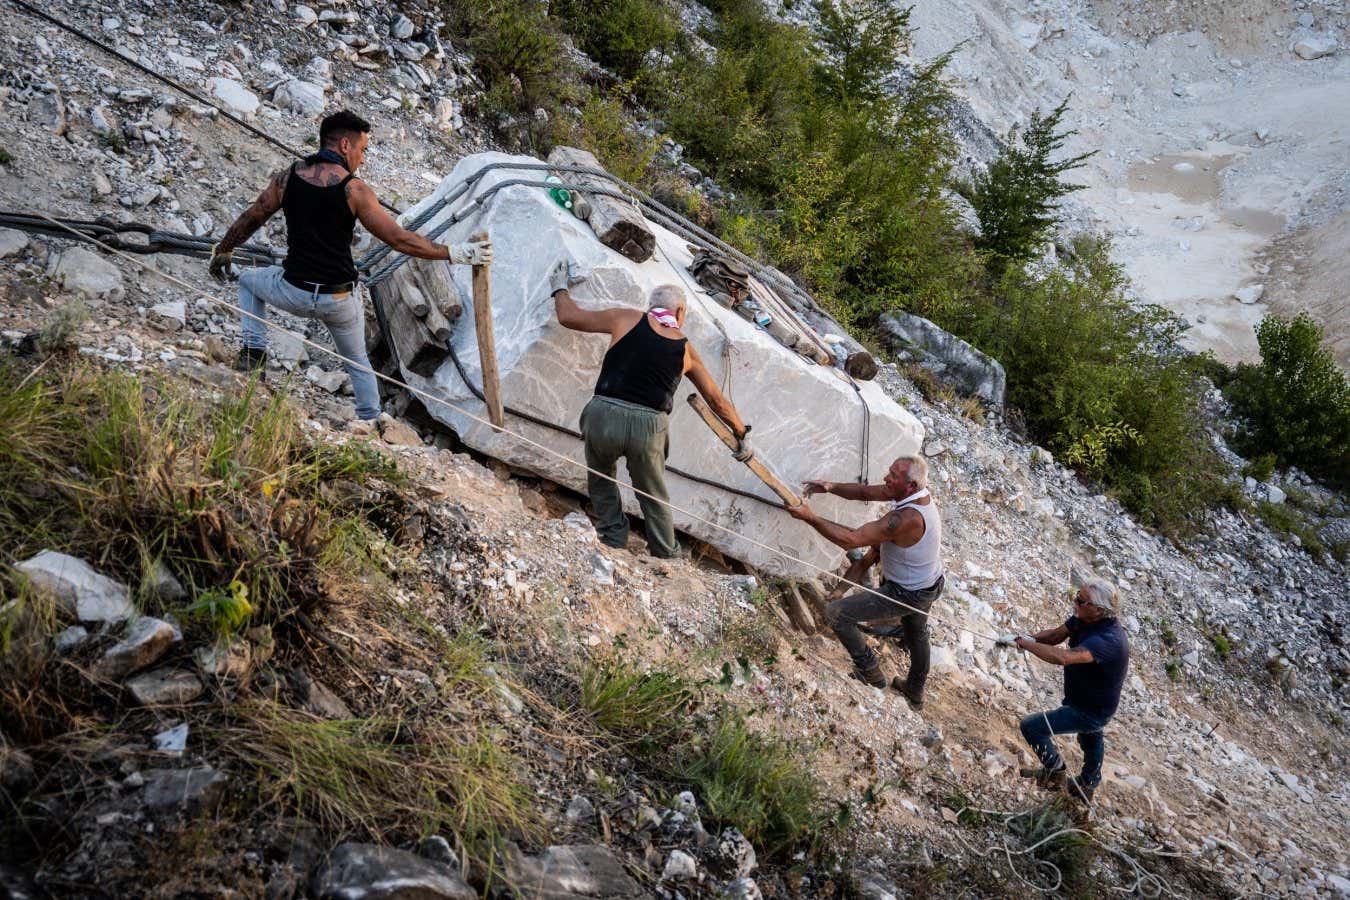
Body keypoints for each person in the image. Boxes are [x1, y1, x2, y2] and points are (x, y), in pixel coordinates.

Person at [207, 109, 492, 420]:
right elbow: (399, 240)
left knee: (248, 282)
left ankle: (252, 357)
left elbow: (254, 214)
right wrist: (456, 252)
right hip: (338, 300)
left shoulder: (287, 178)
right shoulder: (355, 191)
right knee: (358, 362)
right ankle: (370, 420)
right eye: (362, 149)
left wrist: (224, 250)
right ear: (345, 145)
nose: (363, 159)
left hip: (293, 291)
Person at [550, 265, 748, 558]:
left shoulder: (626, 318)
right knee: (652, 493)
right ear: (680, 312)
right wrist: (742, 433)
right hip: (648, 427)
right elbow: (716, 401)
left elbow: (568, 316)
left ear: (650, 306)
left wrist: (559, 288)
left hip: (604, 413)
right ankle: (665, 553)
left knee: (601, 477)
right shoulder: (684, 349)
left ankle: (613, 538)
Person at [785, 456, 944, 708]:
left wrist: (810, 517)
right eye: (889, 472)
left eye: (893, 475)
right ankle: (914, 692)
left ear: (910, 485)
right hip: (928, 582)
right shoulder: (912, 494)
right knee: (917, 633)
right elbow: (863, 492)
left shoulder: (906, 519)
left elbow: (851, 540)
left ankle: (870, 672)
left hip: (908, 592)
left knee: (836, 613)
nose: (886, 478)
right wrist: (830, 486)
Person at [1012, 578, 1130, 804]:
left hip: (1090, 710)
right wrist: (1028, 638)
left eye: (1081, 600)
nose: (1074, 601)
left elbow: (1064, 658)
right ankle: (1088, 784)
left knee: (1032, 727)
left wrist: (1027, 645)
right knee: (1091, 739)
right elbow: (1057, 636)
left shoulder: (1108, 640)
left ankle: (1055, 772)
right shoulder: (1084, 618)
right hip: (1088, 701)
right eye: (1077, 595)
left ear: (1098, 609)